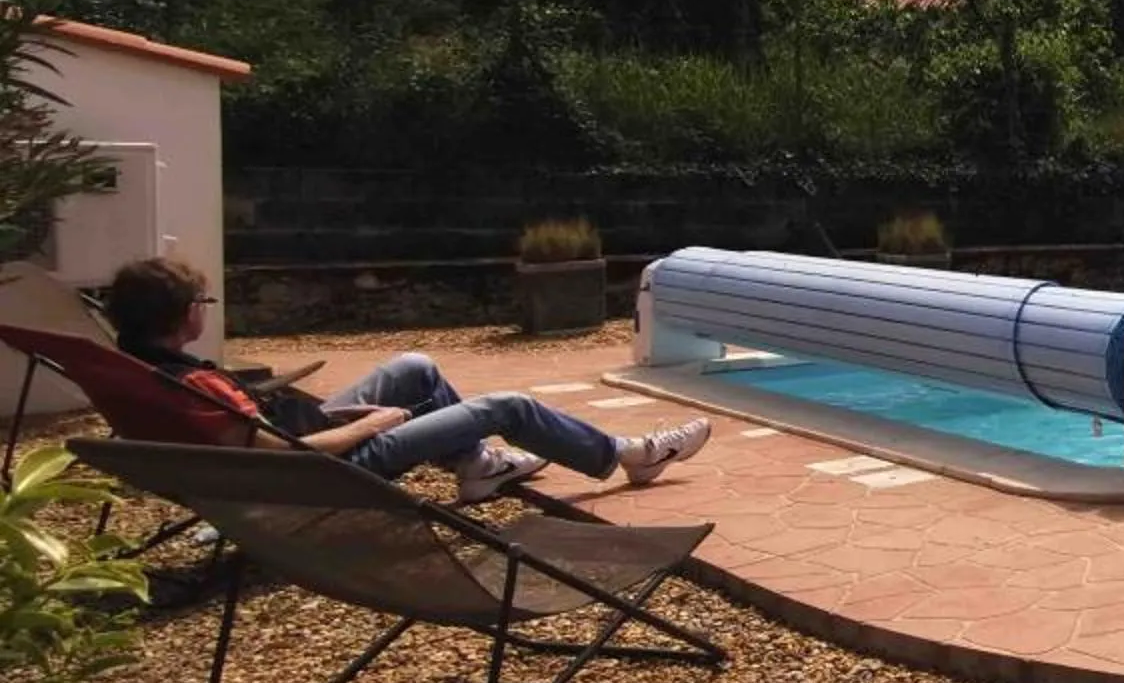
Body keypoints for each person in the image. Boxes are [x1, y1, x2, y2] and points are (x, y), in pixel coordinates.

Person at [103, 258, 710, 504]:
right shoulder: (196, 388)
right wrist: (370, 423)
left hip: (292, 447)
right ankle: (628, 456)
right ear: (186, 314)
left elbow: (260, 438)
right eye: (202, 299)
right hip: (324, 471)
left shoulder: (138, 368)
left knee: (413, 368)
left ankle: (475, 467)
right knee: (508, 404)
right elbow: (289, 456)